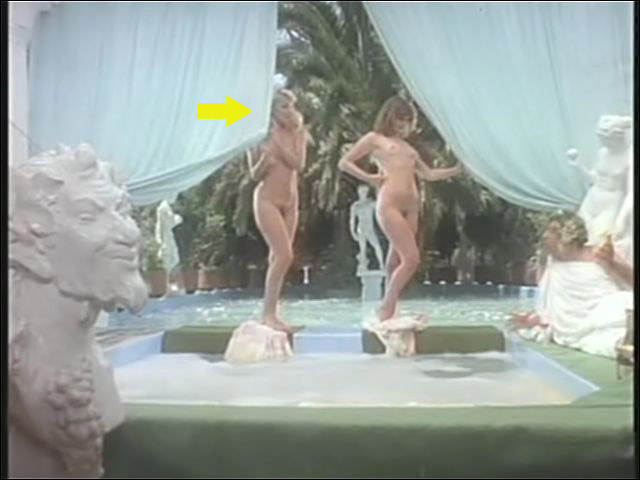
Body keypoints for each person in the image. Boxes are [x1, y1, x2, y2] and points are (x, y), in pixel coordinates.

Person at [338, 95, 463, 321]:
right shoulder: (374, 139)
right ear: (389, 117)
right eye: (400, 119)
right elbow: (344, 162)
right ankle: (386, 306)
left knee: (395, 260)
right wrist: (369, 178)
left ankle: (392, 308)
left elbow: (428, 174)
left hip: (412, 206)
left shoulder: (408, 148)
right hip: (390, 203)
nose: (404, 125)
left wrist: (456, 170)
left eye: (408, 121)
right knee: (411, 259)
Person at [247, 89, 310, 333]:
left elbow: (299, 164)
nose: (290, 111)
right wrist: (265, 160)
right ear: (272, 110)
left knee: (277, 257)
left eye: (291, 106)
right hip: (267, 201)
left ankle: (273, 313)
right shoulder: (256, 136)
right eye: (284, 106)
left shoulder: (297, 134)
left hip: (291, 202)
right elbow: (254, 174)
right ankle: (268, 314)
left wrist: (277, 146)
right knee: (285, 255)